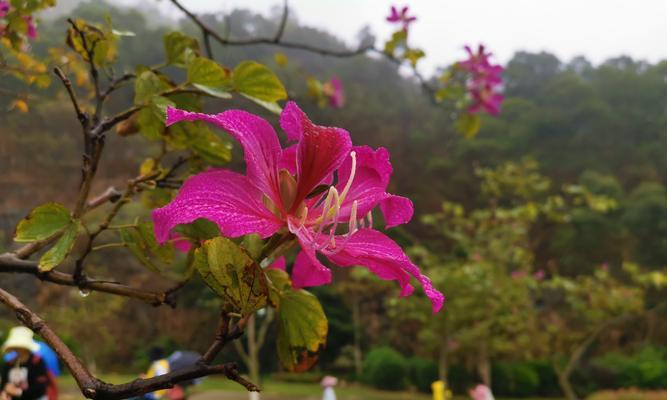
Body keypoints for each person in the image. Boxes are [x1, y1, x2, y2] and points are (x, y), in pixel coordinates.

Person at [0, 327, 50, 400]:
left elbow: (41, 387)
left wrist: (19, 392)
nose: (18, 349)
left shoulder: (37, 362)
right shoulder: (9, 364)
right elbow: (4, 383)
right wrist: (5, 391)